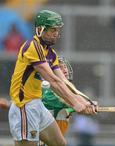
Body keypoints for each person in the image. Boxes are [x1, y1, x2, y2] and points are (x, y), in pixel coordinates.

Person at [8, 10, 97, 146]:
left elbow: (64, 82)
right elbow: (54, 82)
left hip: (36, 104)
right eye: (52, 29)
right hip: (24, 107)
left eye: (58, 29)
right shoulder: (33, 47)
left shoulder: (51, 54)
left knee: (60, 143)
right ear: (40, 29)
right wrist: (75, 104)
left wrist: (85, 101)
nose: (56, 33)